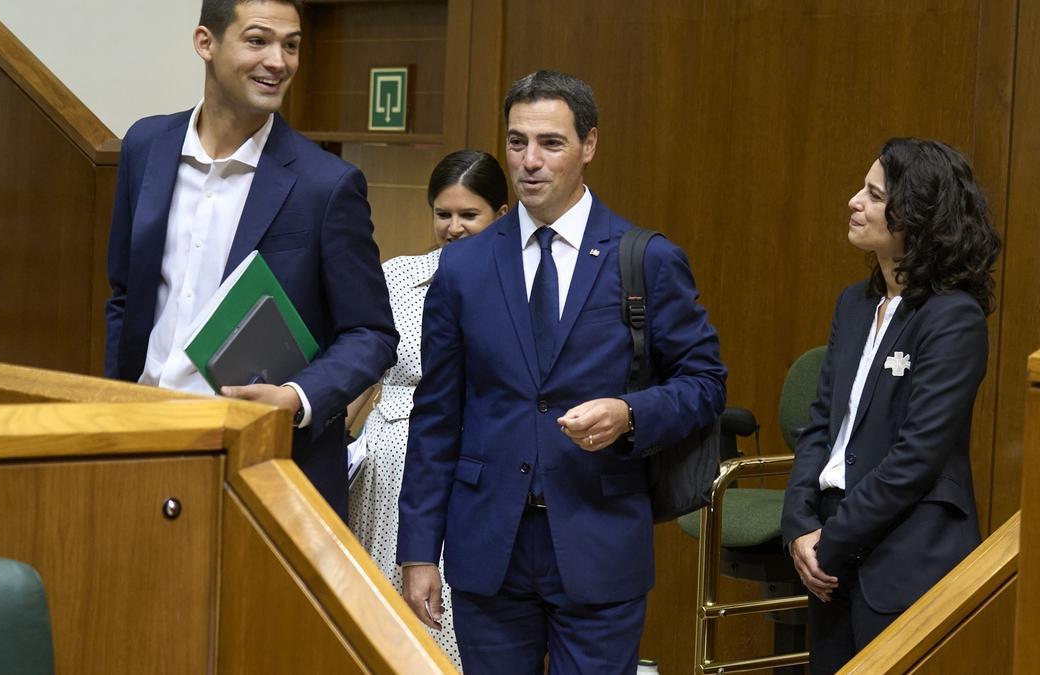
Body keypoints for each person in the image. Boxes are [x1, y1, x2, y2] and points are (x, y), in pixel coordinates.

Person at [396, 70, 727, 674]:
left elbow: (704, 382)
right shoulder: (463, 268)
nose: (529, 161)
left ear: (589, 146)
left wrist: (631, 413)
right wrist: (419, 550)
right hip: (487, 545)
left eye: (550, 143)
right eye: (517, 142)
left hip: (598, 538)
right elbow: (437, 414)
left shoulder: (644, 259)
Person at [104, 0, 397, 520]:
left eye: (291, 44)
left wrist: (296, 397)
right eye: (258, 40)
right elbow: (125, 296)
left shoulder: (325, 185)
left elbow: (372, 335)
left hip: (262, 460)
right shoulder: (145, 146)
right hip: (143, 441)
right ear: (206, 43)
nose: (279, 61)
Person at [781, 137, 1002, 673]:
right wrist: (798, 525)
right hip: (830, 549)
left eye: (874, 195)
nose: (855, 202)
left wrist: (831, 540)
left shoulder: (954, 317)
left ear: (918, 218)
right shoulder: (854, 304)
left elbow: (916, 458)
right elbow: (823, 427)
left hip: (903, 555)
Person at [347, 149, 509, 669]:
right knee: (382, 616)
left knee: (454, 620)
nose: (454, 228)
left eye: (469, 215)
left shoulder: (514, 288)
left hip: (466, 471)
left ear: (501, 217)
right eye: (444, 215)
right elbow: (361, 371)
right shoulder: (398, 276)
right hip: (385, 470)